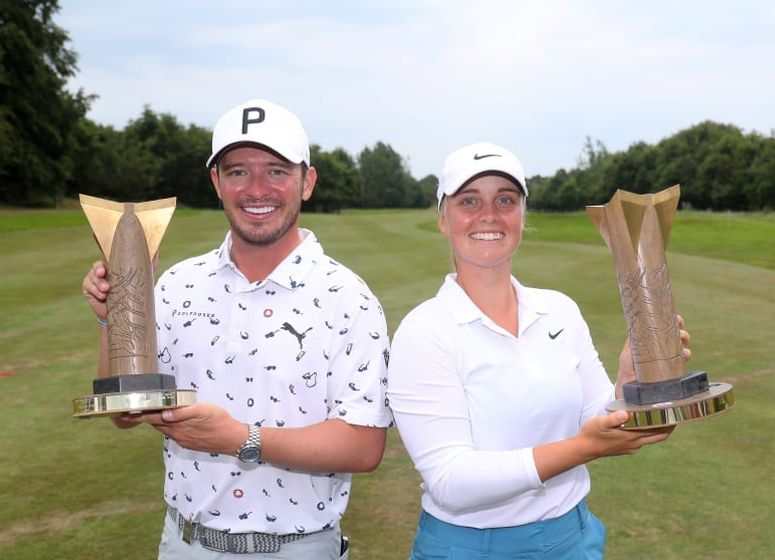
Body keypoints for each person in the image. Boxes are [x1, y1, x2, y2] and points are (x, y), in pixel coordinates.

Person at [81, 98, 392, 559]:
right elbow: (126, 412)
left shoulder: (349, 297)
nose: (256, 189)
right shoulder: (175, 284)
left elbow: (364, 444)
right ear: (217, 183)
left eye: (276, 171)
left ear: (307, 182)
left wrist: (241, 439)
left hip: (298, 549)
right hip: (184, 543)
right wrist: (114, 314)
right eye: (238, 171)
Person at [386, 142, 689, 559]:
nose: (488, 215)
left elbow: (596, 416)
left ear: (522, 215)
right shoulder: (424, 331)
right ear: (444, 219)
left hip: (573, 538)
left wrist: (628, 383)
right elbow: (451, 482)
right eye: (469, 201)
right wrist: (584, 448)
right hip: (471, 547)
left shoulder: (559, 309)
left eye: (505, 200)